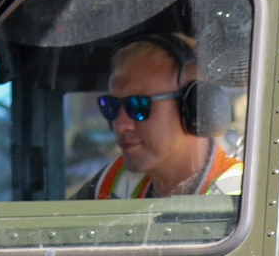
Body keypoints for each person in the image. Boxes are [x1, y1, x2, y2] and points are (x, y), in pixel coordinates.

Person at [75, 33, 242, 199]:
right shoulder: (115, 181)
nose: (120, 125)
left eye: (139, 105)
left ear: (193, 107)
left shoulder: (239, 199)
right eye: (111, 106)